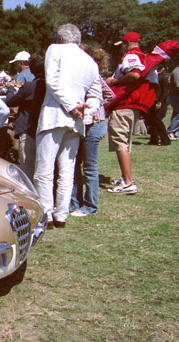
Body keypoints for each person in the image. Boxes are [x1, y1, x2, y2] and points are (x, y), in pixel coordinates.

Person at [34, 24, 102, 229]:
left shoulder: (55, 49)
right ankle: (61, 215)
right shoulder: (90, 61)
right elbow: (97, 95)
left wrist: (73, 107)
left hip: (55, 116)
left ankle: (45, 214)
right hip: (76, 121)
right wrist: (86, 111)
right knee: (67, 170)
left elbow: (52, 82)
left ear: (60, 39)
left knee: (44, 171)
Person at [106, 32, 158, 194]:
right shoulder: (146, 58)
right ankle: (126, 177)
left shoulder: (131, 55)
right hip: (136, 105)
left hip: (125, 103)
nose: (121, 48)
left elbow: (134, 73)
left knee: (119, 140)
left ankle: (128, 183)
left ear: (127, 43)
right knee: (126, 142)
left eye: (122, 45)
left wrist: (115, 81)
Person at [69, 45, 114, 217]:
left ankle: (90, 205)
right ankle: (74, 202)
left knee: (89, 166)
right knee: (74, 164)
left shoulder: (93, 76)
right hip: (82, 125)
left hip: (94, 125)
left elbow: (110, 95)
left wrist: (98, 109)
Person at [5, 53, 46, 179]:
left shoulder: (29, 86)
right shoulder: (50, 87)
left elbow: (11, 101)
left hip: (28, 130)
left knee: (27, 169)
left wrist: (10, 89)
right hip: (44, 130)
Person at [146, 67, 171, 146]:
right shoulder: (153, 77)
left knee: (157, 120)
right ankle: (154, 139)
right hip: (153, 100)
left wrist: (160, 101)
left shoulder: (163, 78)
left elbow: (165, 91)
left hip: (160, 101)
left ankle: (165, 140)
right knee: (152, 120)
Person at [167, 64, 179, 140]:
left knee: (176, 113)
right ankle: (170, 131)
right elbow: (177, 85)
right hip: (176, 95)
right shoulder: (177, 71)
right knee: (178, 114)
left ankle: (175, 133)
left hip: (176, 95)